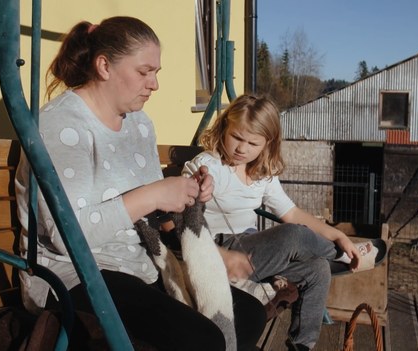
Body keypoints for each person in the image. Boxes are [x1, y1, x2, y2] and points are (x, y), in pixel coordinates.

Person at [14, 17, 265, 351]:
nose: (154, 84)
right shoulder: (59, 127)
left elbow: (154, 216)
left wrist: (188, 196)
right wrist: (153, 194)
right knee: (202, 340)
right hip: (73, 277)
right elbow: (65, 237)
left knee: (249, 314)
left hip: (141, 266)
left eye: (156, 72)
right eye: (144, 71)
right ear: (104, 65)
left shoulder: (139, 125)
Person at [183, 94, 380, 351]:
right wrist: (196, 187)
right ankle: (342, 257)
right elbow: (180, 216)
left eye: (252, 143)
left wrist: (338, 235)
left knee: (317, 269)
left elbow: (293, 213)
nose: (242, 149)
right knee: (293, 236)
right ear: (224, 129)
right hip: (219, 251)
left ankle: (302, 345)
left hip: (255, 252)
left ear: (267, 143)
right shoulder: (209, 166)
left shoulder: (262, 174)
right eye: (237, 137)